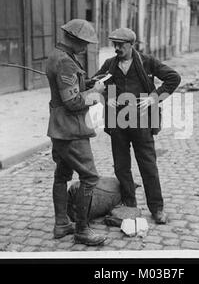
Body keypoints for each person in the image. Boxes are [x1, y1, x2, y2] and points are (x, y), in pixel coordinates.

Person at [92, 28, 181, 224]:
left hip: (142, 123)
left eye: (121, 45)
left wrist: (154, 98)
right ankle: (129, 204)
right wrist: (105, 98)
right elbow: (94, 84)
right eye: (114, 44)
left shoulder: (147, 62)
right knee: (122, 167)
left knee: (148, 166)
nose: (117, 48)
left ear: (132, 45)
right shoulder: (110, 65)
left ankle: (157, 209)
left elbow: (174, 78)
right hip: (118, 124)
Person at [46, 19, 106, 246]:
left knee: (61, 176)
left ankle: (62, 224)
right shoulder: (66, 62)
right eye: (85, 43)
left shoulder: (59, 55)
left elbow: (69, 89)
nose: (86, 47)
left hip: (60, 129)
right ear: (76, 40)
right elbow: (72, 102)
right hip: (71, 130)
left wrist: (90, 83)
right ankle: (82, 229)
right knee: (90, 178)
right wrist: (96, 93)